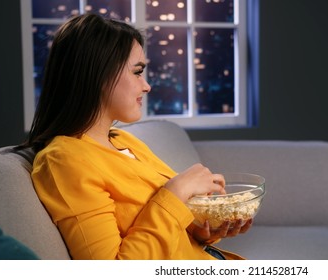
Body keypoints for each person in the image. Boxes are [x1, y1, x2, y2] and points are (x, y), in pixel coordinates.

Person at [20, 13, 251, 260]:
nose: (147, 85)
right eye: (137, 72)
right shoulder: (64, 161)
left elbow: (163, 226)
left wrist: (202, 230)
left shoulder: (123, 140)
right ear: (98, 74)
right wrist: (176, 192)